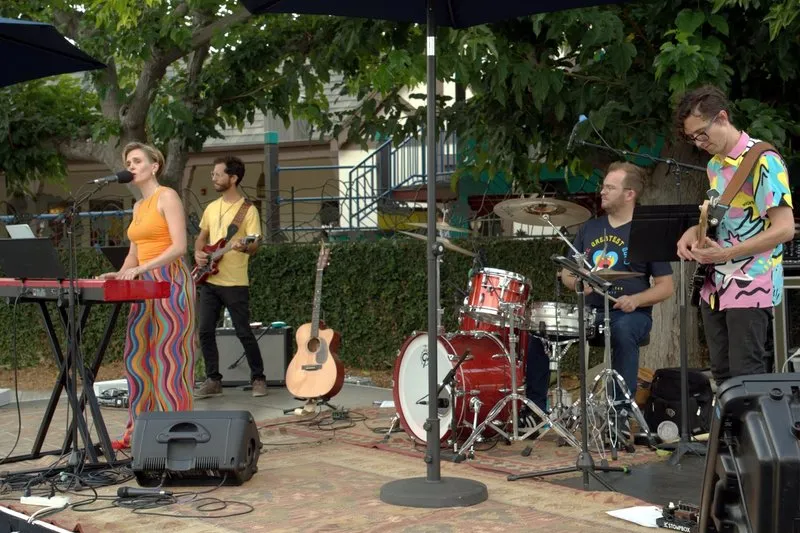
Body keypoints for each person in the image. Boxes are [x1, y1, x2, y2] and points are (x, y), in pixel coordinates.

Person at [524, 162, 674, 434]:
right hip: (590, 313)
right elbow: (567, 275)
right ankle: (534, 410)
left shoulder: (645, 230)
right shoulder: (589, 229)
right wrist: (578, 282)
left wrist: (636, 300)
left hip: (630, 314)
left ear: (630, 194)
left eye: (609, 187)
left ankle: (618, 416)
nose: (602, 191)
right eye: (603, 186)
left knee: (622, 330)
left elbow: (665, 287)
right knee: (540, 330)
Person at [674, 85, 794, 386]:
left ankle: (754, 435)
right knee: (723, 374)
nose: (699, 143)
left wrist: (726, 253)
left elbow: (785, 229)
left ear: (722, 117)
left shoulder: (765, 161)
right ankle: (731, 435)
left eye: (702, 133)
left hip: (752, 280)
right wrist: (693, 232)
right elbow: (720, 218)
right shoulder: (715, 166)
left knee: (746, 375)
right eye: (692, 138)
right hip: (716, 283)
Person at [98, 142, 196, 451]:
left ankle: (175, 434)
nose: (131, 165)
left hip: (170, 281)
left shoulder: (167, 197)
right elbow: (134, 252)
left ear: (154, 166)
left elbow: (179, 247)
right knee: (138, 357)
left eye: (137, 160)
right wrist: (121, 272)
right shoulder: (139, 206)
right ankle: (139, 432)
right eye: (128, 161)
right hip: (143, 285)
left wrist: (144, 269)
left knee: (170, 359)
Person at [193, 156, 267, 399]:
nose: (213, 177)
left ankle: (258, 378)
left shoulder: (248, 210)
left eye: (218, 174)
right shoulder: (211, 208)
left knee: (243, 331)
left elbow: (254, 243)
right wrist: (198, 253)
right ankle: (213, 379)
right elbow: (202, 238)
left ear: (233, 178)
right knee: (204, 331)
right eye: (213, 174)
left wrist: (244, 247)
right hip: (210, 281)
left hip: (235, 281)